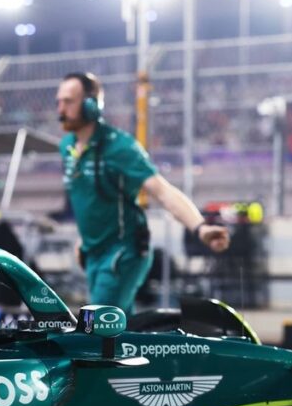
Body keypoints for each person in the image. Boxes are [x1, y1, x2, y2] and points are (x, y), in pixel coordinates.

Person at [56, 72, 229, 314]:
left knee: (98, 323)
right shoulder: (67, 147)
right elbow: (89, 200)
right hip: (93, 253)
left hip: (122, 252)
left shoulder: (119, 147)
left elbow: (162, 191)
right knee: (117, 327)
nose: (61, 109)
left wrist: (200, 228)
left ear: (90, 105)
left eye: (68, 101)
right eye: (59, 101)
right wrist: (84, 239)